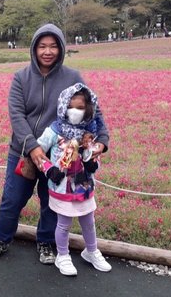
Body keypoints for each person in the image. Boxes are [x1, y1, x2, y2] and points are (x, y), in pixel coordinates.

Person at [0, 23, 109, 265]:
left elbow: (93, 110)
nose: (48, 51)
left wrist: (102, 139)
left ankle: (46, 242)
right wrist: (32, 147)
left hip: (59, 156)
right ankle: (1, 238)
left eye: (53, 46)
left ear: (61, 49)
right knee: (12, 199)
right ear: (34, 48)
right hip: (23, 152)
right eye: (42, 46)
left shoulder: (72, 77)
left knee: (52, 202)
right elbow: (17, 116)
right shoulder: (21, 77)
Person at [36, 83, 111, 276]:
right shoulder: (54, 131)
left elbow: (94, 156)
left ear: (88, 109)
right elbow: (37, 153)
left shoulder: (89, 132)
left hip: (84, 186)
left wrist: (93, 163)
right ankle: (63, 255)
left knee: (88, 220)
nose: (75, 112)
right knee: (64, 223)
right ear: (63, 107)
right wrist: (49, 170)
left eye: (80, 108)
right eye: (71, 107)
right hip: (62, 187)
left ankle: (91, 251)